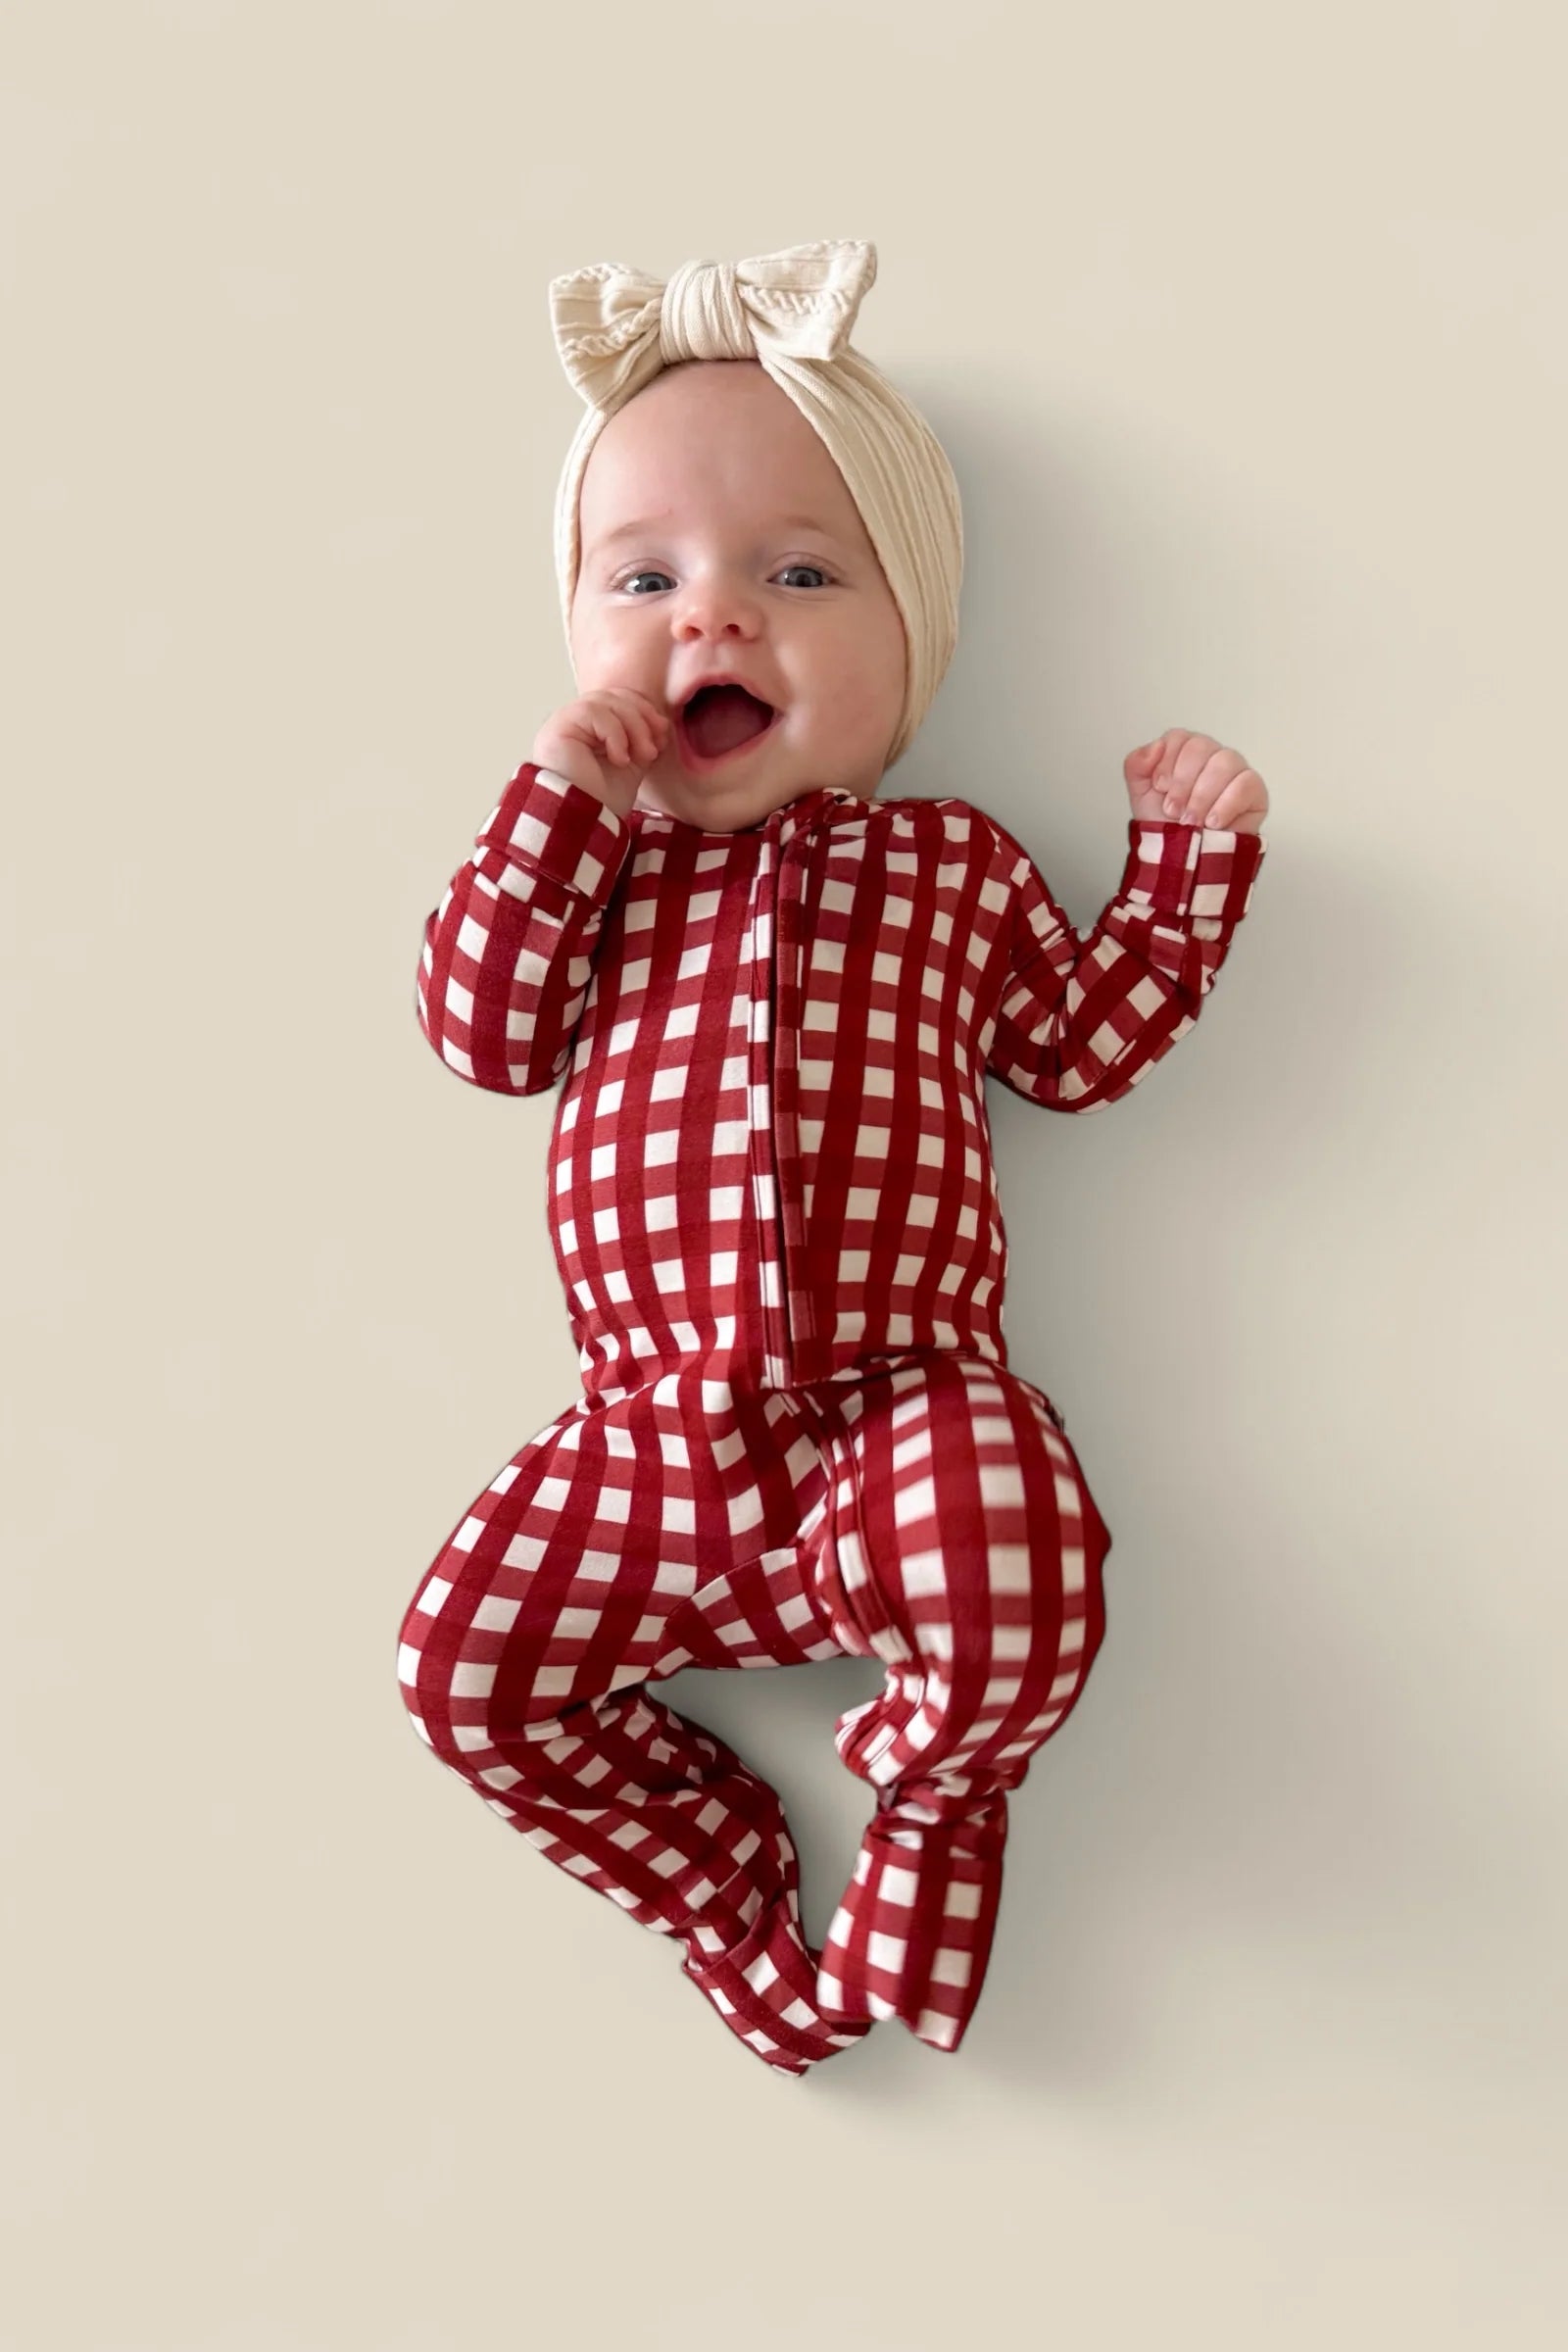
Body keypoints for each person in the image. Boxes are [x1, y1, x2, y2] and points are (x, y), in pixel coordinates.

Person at [395, 239, 1270, 2078]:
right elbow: (481, 1034)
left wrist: (1181, 881)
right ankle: (730, 1895)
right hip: (649, 1436)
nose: (711, 621)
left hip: (900, 1411)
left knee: (1018, 1552)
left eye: (797, 574)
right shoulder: (599, 869)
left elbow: (1074, 1049)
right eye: (644, 578)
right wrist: (556, 808)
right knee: (462, 1670)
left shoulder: (953, 863)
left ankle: (931, 1820)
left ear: (914, 637)